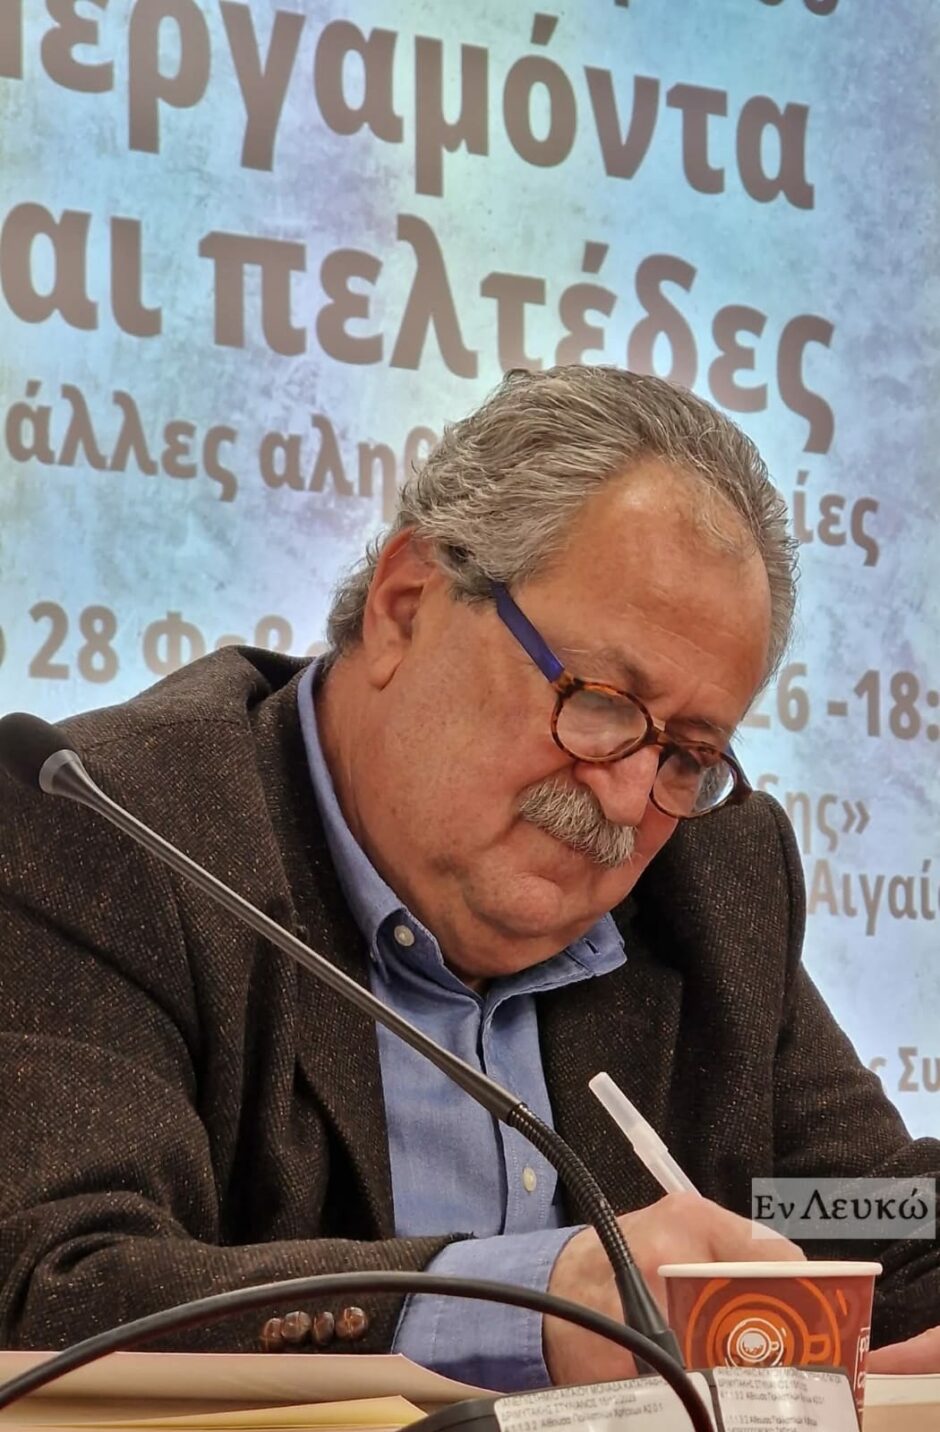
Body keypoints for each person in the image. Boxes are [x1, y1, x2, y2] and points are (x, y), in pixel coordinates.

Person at [0, 367, 937, 1390]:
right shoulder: (107, 825)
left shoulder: (717, 874)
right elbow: (54, 1289)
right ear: (406, 606)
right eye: (602, 702)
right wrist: (533, 1302)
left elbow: (855, 1212)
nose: (630, 797)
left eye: (688, 753)